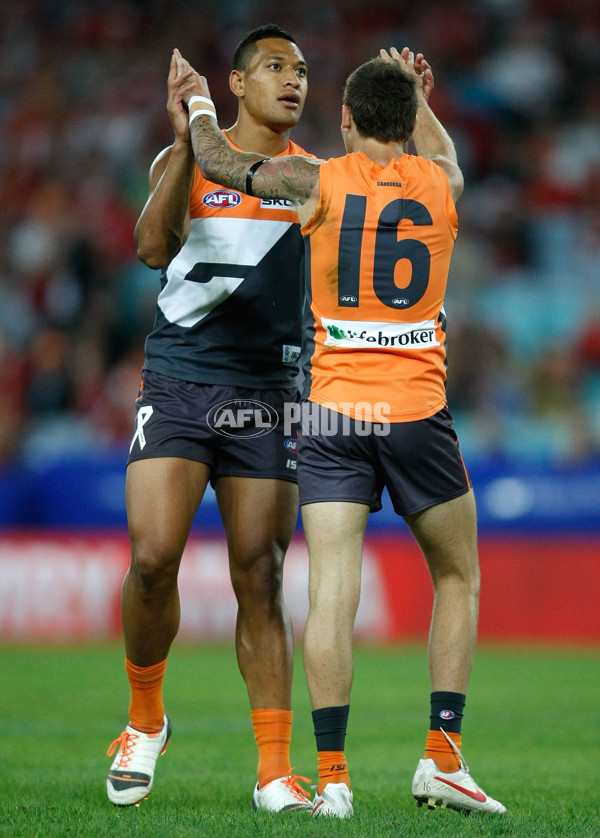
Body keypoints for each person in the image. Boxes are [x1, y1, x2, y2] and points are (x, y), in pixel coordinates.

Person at [174, 44, 508, 819]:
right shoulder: (444, 183)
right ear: (410, 120)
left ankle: (332, 779)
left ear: (348, 119)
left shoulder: (317, 180)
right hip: (420, 411)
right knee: (458, 577)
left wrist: (195, 101)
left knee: (330, 595)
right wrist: (421, 101)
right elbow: (445, 150)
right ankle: (442, 758)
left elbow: (220, 163)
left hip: (331, 415)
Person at [106, 24, 315, 813]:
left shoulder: (311, 179)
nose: (292, 80)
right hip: (182, 380)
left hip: (266, 392)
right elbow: (152, 248)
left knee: (259, 576)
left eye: (300, 70)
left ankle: (271, 771)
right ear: (236, 83)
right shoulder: (180, 160)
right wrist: (186, 148)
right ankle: (144, 718)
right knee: (154, 558)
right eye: (273, 67)